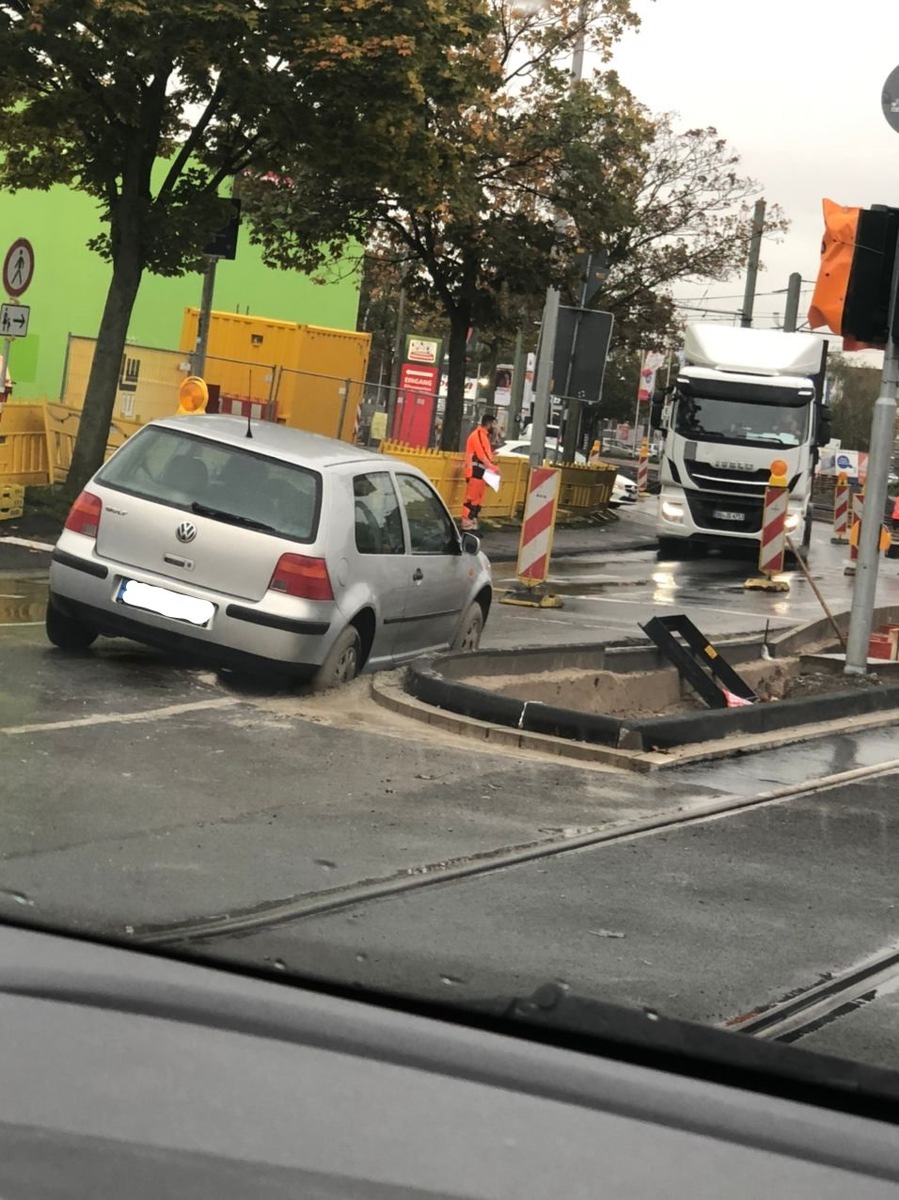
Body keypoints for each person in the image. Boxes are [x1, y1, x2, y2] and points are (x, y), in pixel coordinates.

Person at [460, 411, 499, 532]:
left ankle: (472, 526)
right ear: (488, 423)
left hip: (480, 472)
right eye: (494, 424)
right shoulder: (478, 435)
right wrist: (493, 468)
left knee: (477, 500)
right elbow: (481, 455)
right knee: (471, 500)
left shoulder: (483, 436)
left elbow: (483, 454)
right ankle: (467, 526)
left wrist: (491, 459)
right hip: (475, 471)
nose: (495, 427)